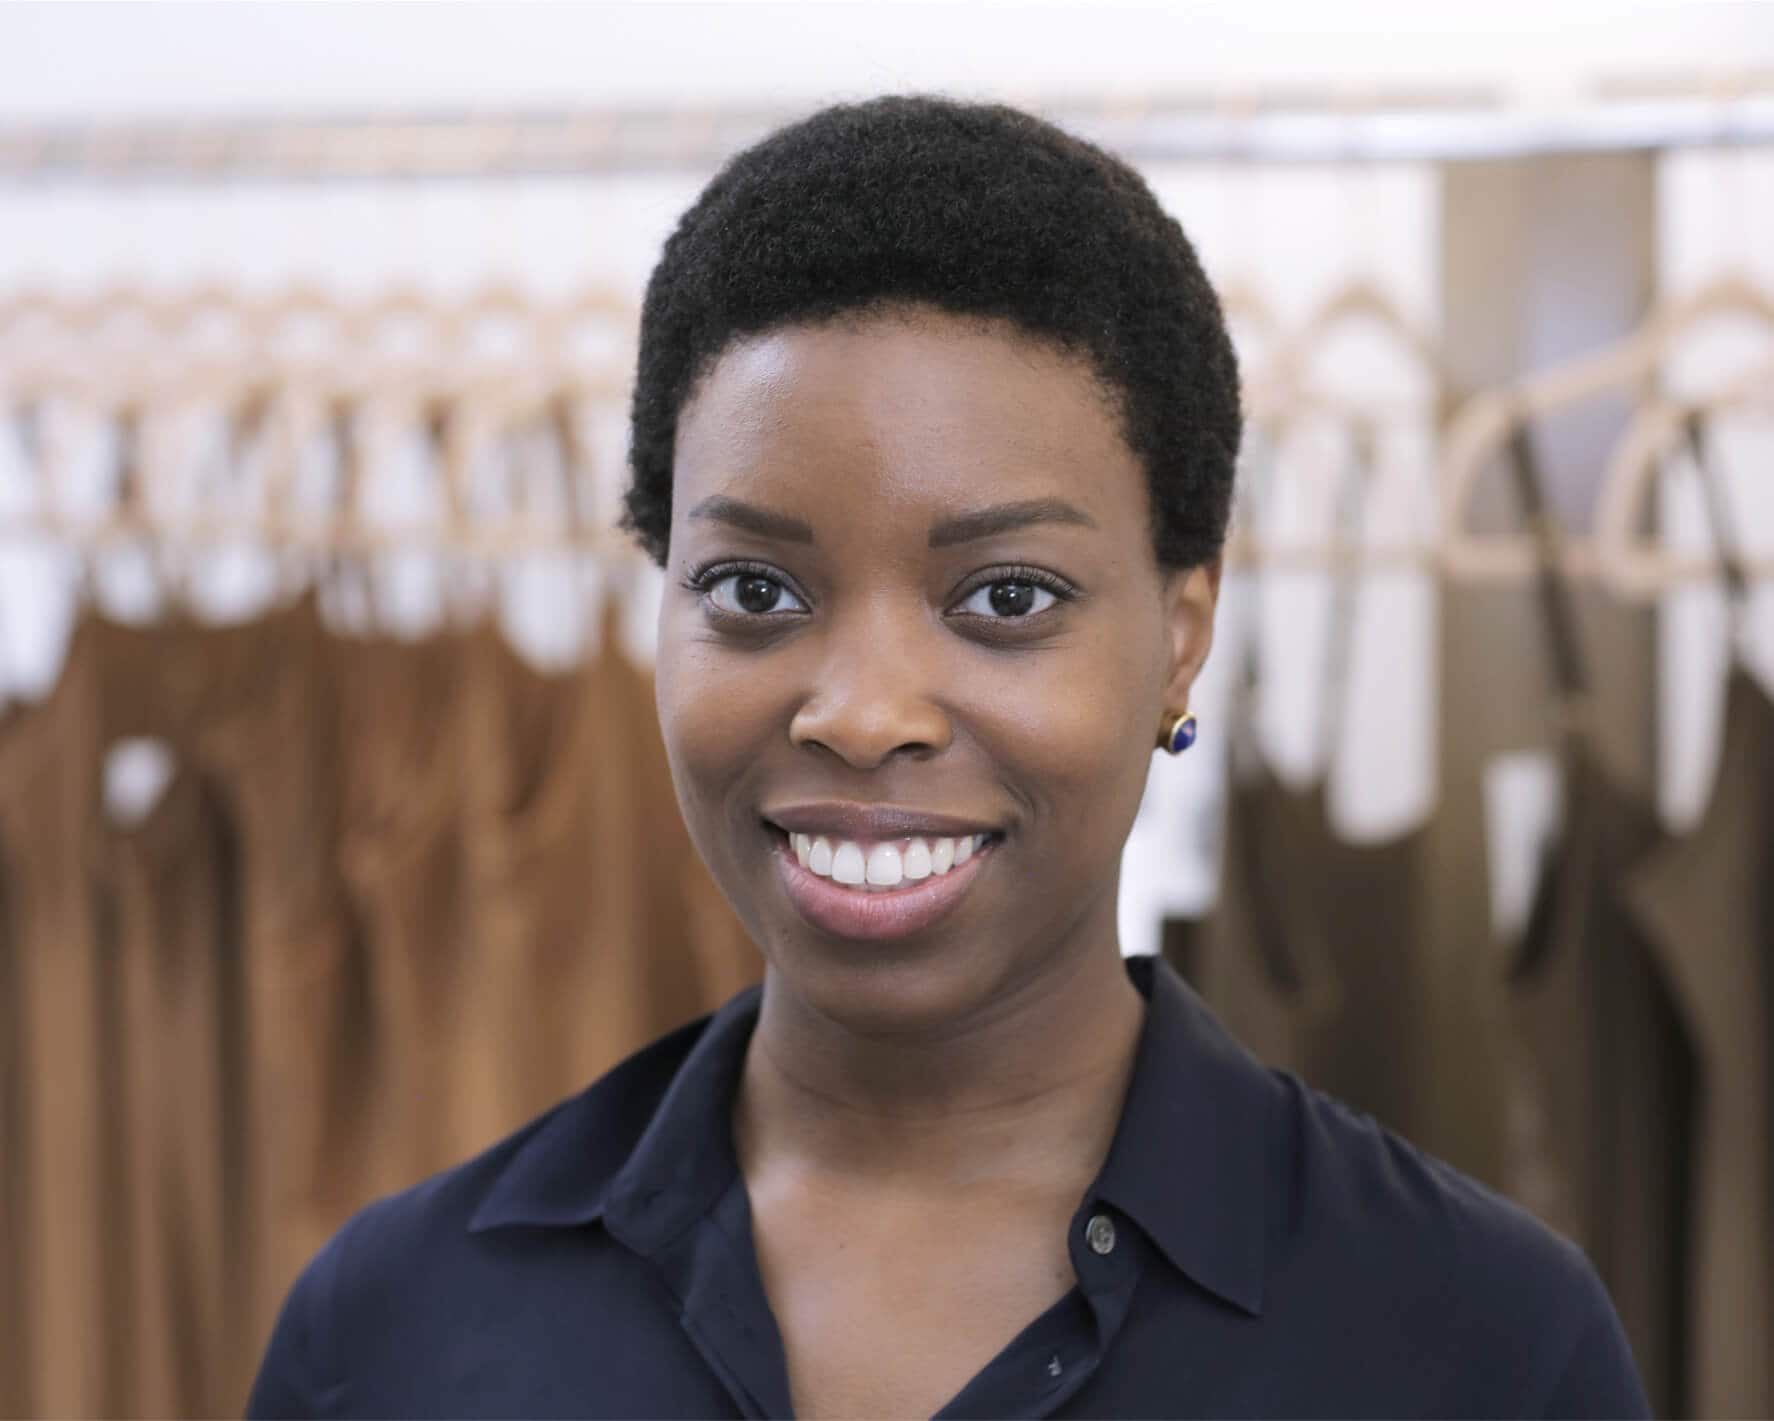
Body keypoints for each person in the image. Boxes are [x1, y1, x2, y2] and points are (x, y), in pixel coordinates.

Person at [246, 95, 1649, 1420]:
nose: (862, 713)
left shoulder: (1478, 1347)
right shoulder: (394, 1330)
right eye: (752, 592)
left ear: (1176, 638)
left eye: (1004, 599)